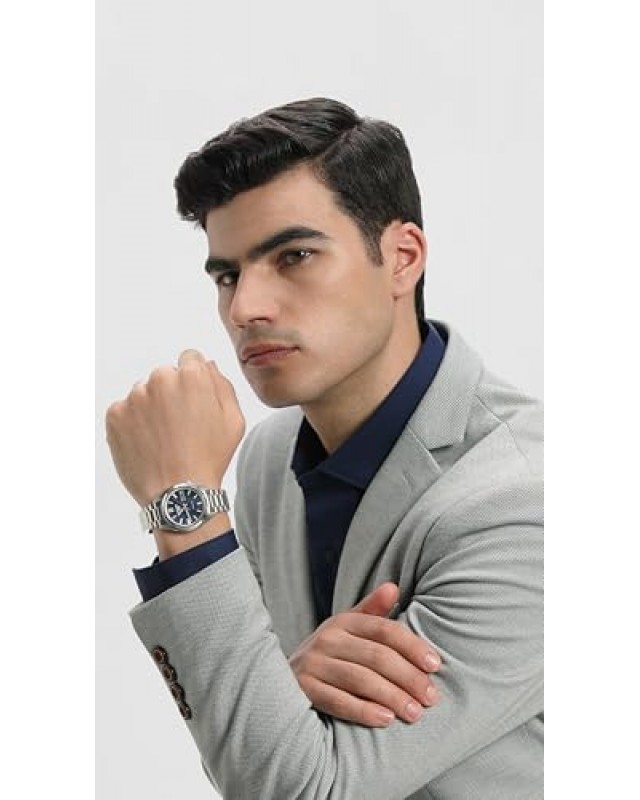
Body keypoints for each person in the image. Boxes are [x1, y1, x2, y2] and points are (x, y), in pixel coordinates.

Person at [106, 97, 543, 799]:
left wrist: (182, 504)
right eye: (227, 274)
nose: (245, 307)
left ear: (401, 258)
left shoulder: (526, 503)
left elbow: (305, 789)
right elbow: (253, 743)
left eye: (295, 256)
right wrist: (282, 685)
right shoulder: (267, 459)